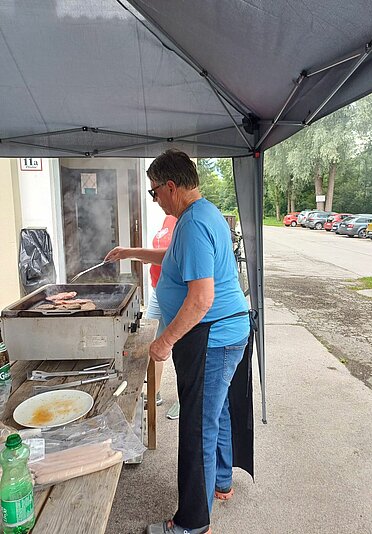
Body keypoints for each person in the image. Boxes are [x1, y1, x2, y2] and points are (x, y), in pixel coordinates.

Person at [105, 150, 254, 534]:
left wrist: (165, 341)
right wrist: (130, 252)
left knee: (198, 425)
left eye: (155, 192)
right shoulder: (204, 213)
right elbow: (174, 258)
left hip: (213, 338)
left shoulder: (190, 223)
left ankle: (191, 523)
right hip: (228, 332)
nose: (155, 200)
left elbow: (201, 298)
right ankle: (221, 482)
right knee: (216, 412)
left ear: (171, 186)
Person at [146, 214, 180, 419]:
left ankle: (182, 399)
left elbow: (172, 255)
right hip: (157, 289)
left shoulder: (188, 220)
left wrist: (139, 253)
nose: (157, 199)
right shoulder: (168, 219)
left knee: (179, 347)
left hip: (176, 293)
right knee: (151, 342)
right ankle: (154, 391)